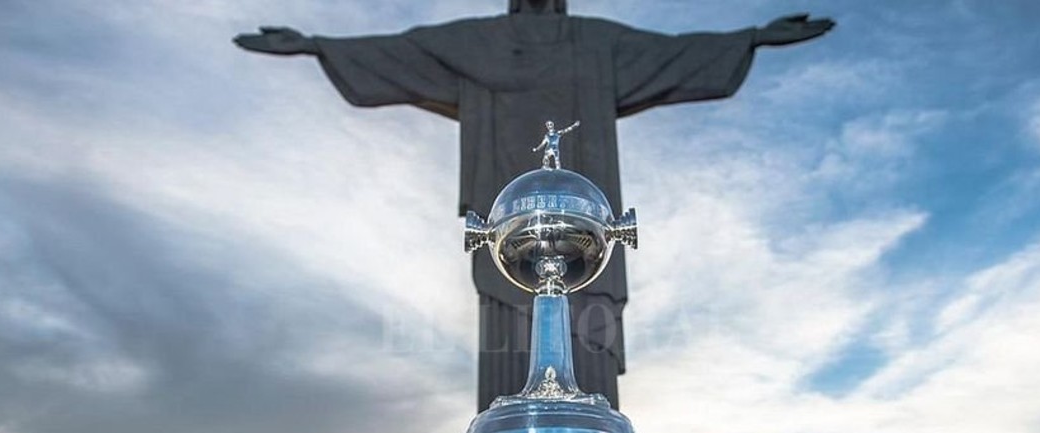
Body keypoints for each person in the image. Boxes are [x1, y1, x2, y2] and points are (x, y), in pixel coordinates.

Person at [235, 0, 833, 411]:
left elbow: (675, 55)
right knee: (507, 335)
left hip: (589, 226)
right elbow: (401, 56)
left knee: (585, 333)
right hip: (506, 232)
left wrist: (751, 39)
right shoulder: (476, 43)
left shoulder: (597, 43)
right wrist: (315, 47)